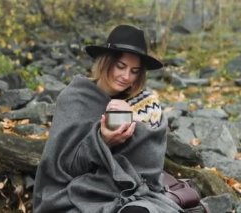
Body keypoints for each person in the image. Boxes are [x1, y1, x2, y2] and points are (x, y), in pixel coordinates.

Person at [33, 25, 182, 213]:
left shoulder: (144, 102)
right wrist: (102, 141)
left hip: (131, 192)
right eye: (120, 66)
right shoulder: (75, 98)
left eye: (134, 71)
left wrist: (135, 120)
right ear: (105, 62)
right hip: (75, 192)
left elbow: (150, 165)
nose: (126, 76)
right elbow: (63, 167)